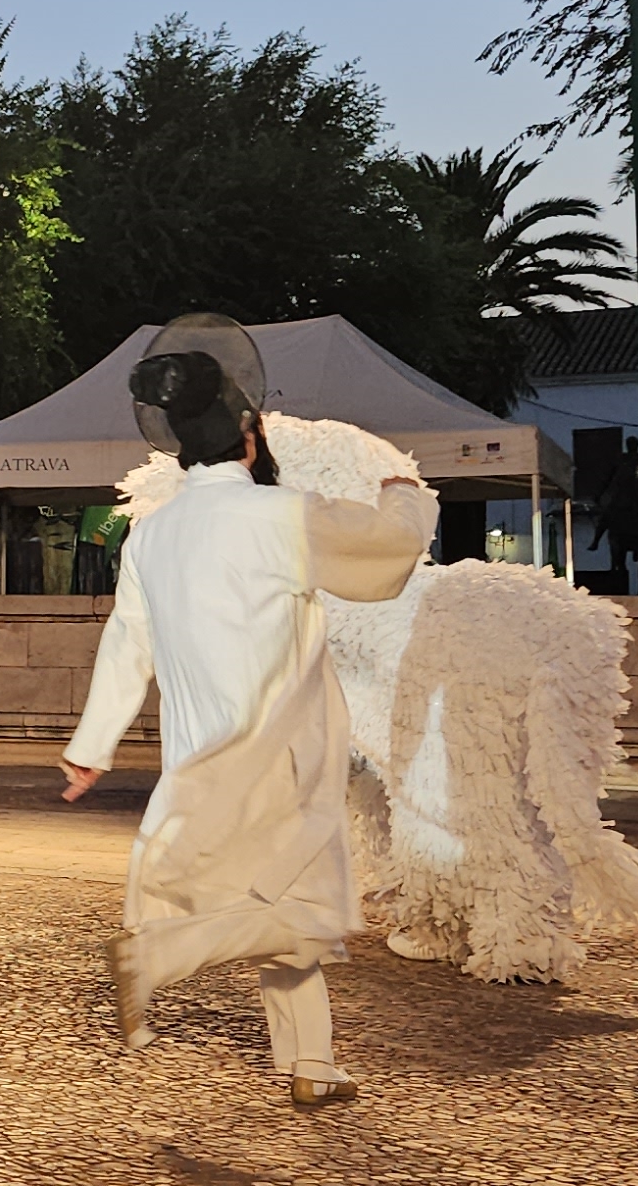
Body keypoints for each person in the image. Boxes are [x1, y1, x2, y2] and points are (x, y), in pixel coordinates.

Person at [60, 316, 437, 1109]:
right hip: (280, 750)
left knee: (286, 911)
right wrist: (405, 495)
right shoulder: (280, 516)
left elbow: (127, 646)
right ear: (248, 431)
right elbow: (384, 555)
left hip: (199, 757)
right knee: (297, 909)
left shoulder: (151, 535)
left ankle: (311, 1064)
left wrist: (91, 745)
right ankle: (158, 955)